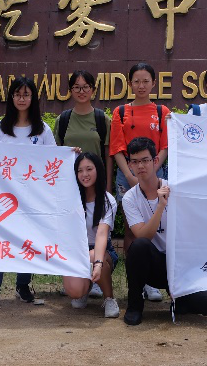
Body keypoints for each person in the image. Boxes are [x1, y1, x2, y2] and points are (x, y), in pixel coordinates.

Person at [0, 77, 53, 310]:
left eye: (26, 95)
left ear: (33, 98)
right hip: (3, 197)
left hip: (32, 197)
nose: (22, 99)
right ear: (11, 98)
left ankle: (23, 285)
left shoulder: (43, 130)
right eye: (18, 94)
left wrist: (71, 153)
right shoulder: (0, 128)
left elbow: (53, 161)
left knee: (27, 241)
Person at [110, 62, 170, 302]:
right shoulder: (121, 112)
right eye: (136, 81)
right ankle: (137, 281)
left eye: (146, 81)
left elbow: (165, 146)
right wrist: (131, 174)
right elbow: (117, 147)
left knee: (160, 223)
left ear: (154, 83)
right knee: (131, 229)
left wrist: (151, 168)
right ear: (130, 84)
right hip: (127, 174)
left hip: (155, 172)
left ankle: (153, 282)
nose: (141, 86)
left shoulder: (162, 112)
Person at [54, 70, 112, 299]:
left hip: (95, 188)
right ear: (70, 91)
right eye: (76, 87)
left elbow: (107, 155)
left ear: (93, 90)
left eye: (86, 86)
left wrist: (106, 188)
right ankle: (74, 276)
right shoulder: (63, 120)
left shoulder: (101, 119)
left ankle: (96, 279)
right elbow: (56, 156)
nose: (81, 91)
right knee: (71, 232)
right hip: (70, 189)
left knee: (96, 230)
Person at [61, 152, 120, 318]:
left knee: (93, 256)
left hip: (102, 251)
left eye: (89, 169)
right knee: (75, 293)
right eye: (80, 170)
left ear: (98, 170)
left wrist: (98, 263)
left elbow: (102, 234)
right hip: (77, 250)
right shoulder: (71, 199)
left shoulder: (108, 200)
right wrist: (68, 153)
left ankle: (109, 298)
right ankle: (85, 288)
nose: (84, 174)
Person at [121, 137, 170, 325]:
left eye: (145, 160)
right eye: (135, 161)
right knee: (139, 245)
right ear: (130, 165)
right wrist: (160, 206)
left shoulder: (173, 188)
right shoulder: (129, 198)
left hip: (179, 262)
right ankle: (134, 305)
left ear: (155, 161)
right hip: (154, 265)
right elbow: (143, 236)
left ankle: (181, 299)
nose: (140, 166)